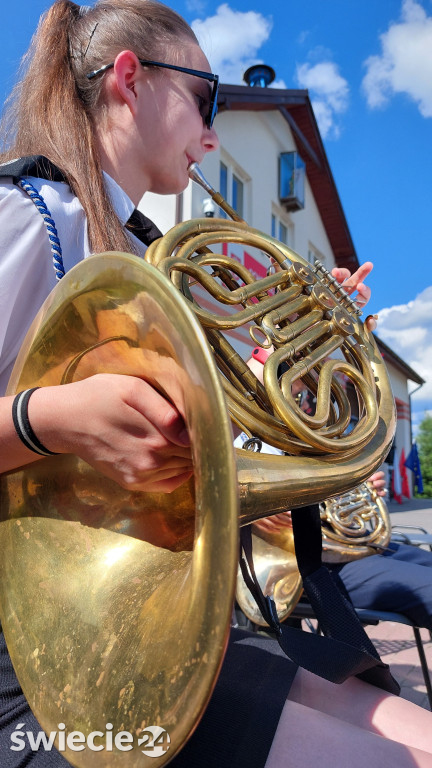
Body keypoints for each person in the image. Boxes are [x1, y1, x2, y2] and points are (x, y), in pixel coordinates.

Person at [1, 2, 432, 767]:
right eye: (208, 99)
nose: (211, 134)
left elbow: (224, 423)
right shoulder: (29, 213)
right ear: (130, 80)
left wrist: (307, 336)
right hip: (29, 665)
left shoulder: (144, 248)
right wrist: (49, 417)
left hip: (143, 626)